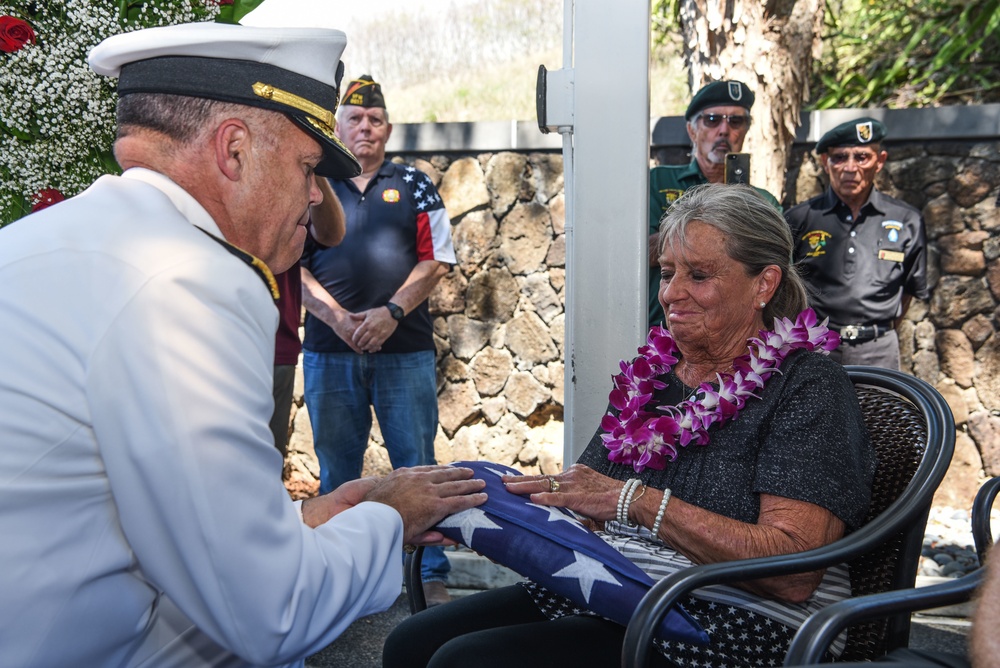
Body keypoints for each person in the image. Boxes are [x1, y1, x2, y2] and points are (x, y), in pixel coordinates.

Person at [0, 21, 487, 668]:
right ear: (233, 151)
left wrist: (318, 520)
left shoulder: (37, 241)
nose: (316, 196)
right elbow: (270, 611)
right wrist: (390, 516)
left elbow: (151, 535)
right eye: (308, 167)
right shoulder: (190, 282)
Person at [383, 184, 876, 668]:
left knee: (467, 661)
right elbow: (583, 501)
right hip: (621, 586)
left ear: (763, 285)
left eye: (699, 275)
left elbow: (793, 571)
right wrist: (478, 510)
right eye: (667, 273)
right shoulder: (655, 374)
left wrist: (638, 503)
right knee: (412, 642)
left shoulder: (807, 383)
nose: (672, 294)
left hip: (737, 617)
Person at [300, 75, 456, 606]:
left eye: (374, 119)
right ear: (336, 126)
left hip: (404, 351)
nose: (364, 127)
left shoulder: (414, 183)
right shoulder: (313, 183)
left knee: (418, 464)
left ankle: (429, 574)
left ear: (387, 128)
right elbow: (292, 266)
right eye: (354, 118)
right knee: (336, 466)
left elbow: (436, 261)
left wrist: (391, 312)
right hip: (328, 352)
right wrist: (338, 317)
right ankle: (329, 572)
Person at [785, 117, 928, 369]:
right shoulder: (800, 218)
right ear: (825, 163)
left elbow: (909, 291)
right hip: (817, 347)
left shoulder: (906, 220)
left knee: (880, 410)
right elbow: (783, 284)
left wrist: (877, 332)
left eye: (862, 157)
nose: (850, 167)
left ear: (879, 161)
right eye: (839, 157)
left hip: (878, 350)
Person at [647, 79, 781, 327]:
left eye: (736, 121)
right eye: (712, 120)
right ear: (692, 130)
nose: (723, 130)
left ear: (745, 130)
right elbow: (635, 251)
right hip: (665, 335)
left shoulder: (763, 202)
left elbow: (776, 268)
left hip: (738, 341)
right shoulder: (654, 182)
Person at [270, 178, 345, 460]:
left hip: (277, 346)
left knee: (266, 463)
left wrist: (315, 170)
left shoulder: (301, 185)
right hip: (218, 342)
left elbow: (331, 234)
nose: (314, 197)